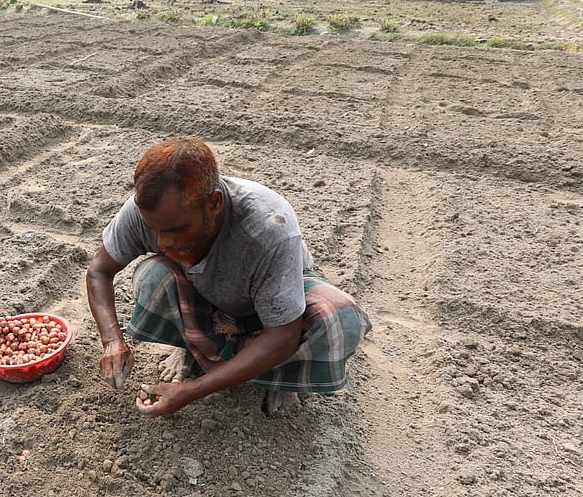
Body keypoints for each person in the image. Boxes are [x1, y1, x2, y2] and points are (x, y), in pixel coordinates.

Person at [85, 136, 370, 418]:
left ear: (214, 203)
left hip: (270, 309)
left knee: (338, 317)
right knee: (153, 276)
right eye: (154, 229)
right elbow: (99, 270)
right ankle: (190, 348)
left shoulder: (268, 228)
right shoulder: (149, 210)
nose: (163, 242)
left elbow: (283, 334)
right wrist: (112, 342)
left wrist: (191, 391)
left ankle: (284, 379)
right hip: (208, 296)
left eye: (175, 230)